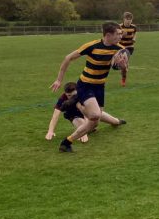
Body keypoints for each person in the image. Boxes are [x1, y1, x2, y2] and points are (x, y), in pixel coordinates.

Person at [49, 22, 127, 153]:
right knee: (95, 114)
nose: (121, 36)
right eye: (118, 34)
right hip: (85, 84)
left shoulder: (119, 49)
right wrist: (59, 79)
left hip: (100, 86)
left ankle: (66, 142)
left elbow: (123, 69)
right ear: (108, 35)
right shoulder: (92, 46)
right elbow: (68, 58)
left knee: (94, 122)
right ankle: (77, 103)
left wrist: (123, 67)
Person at [115, 11, 137, 87]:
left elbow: (135, 34)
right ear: (124, 19)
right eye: (127, 19)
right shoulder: (119, 26)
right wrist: (121, 34)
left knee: (124, 62)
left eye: (130, 19)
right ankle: (123, 75)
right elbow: (115, 36)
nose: (129, 21)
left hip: (130, 47)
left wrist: (134, 38)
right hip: (120, 47)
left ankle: (123, 77)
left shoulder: (134, 27)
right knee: (123, 66)